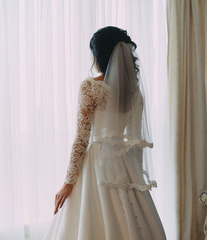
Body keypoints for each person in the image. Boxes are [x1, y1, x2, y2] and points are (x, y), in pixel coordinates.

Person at [43, 26, 166, 240]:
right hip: (125, 163)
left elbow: (81, 139)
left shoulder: (90, 87)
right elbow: (136, 142)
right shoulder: (135, 93)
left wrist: (68, 183)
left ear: (99, 55)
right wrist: (134, 176)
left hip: (97, 163)